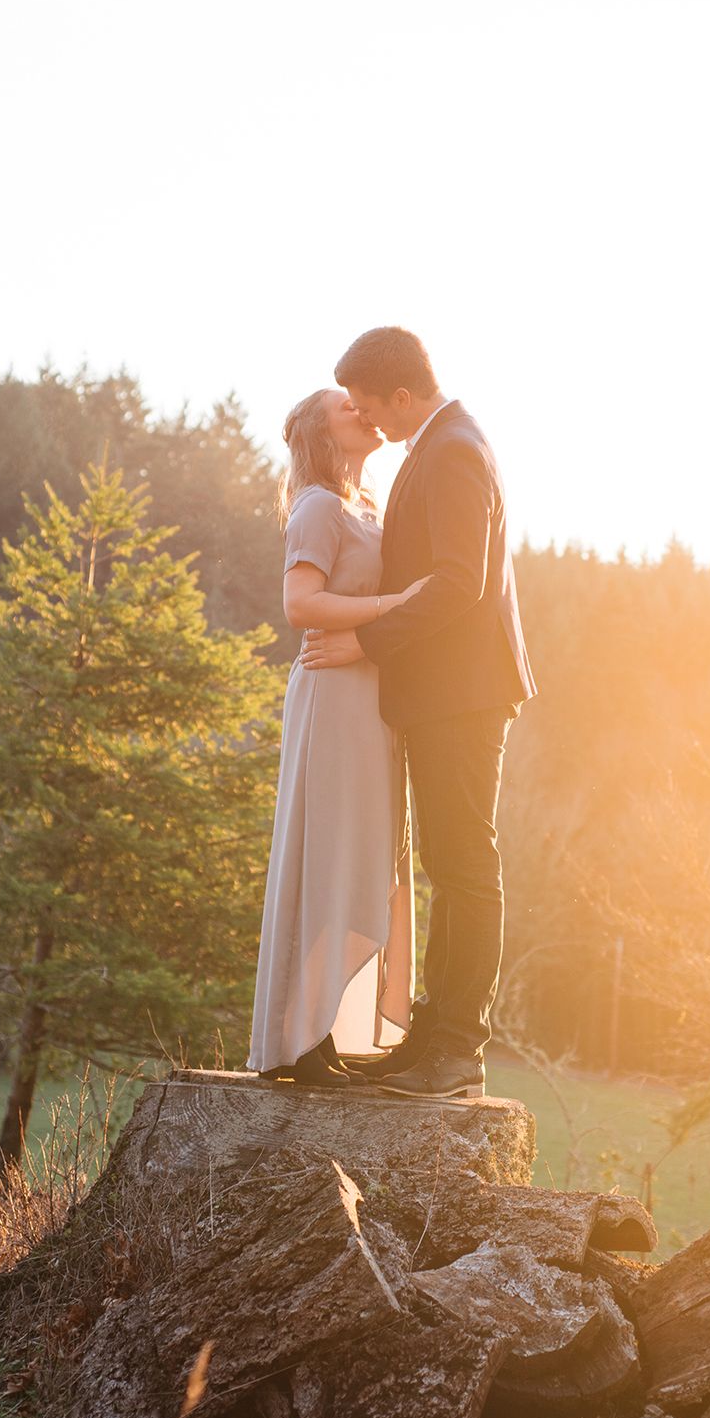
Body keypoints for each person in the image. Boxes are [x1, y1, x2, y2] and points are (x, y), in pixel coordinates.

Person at [295, 326, 536, 1101]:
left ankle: (459, 1049)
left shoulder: (456, 449)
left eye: (372, 405)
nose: (370, 420)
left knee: (466, 867)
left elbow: (459, 581)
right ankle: (431, 1037)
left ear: (404, 396)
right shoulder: (439, 445)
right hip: (444, 695)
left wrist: (366, 638)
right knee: (449, 866)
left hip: (465, 695)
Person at [246, 389, 425, 1086]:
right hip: (330, 698)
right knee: (324, 857)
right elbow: (300, 604)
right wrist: (392, 608)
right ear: (323, 433)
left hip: (370, 702)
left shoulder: (365, 507)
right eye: (347, 407)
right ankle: (300, 1041)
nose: (364, 411)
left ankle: (326, 1028)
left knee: (360, 858)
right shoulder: (319, 503)